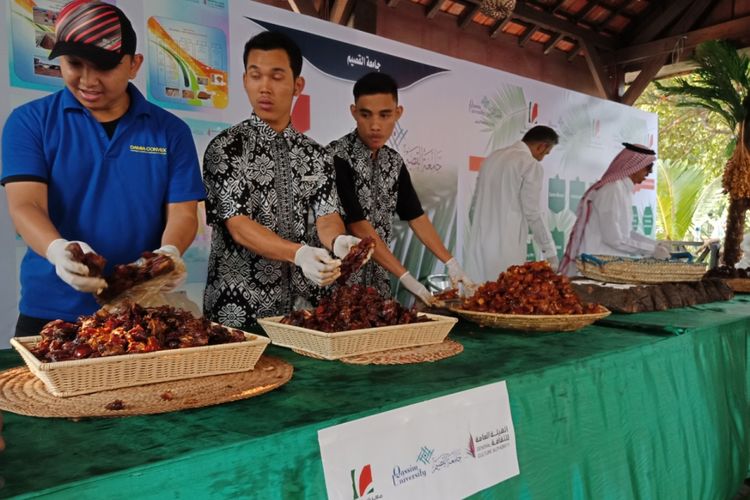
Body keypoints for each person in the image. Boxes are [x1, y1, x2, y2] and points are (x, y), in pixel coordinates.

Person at [1, 0, 205, 336]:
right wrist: (57, 251)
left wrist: (168, 254)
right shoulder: (30, 122)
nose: (88, 80)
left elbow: (182, 212)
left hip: (138, 313)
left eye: (104, 67)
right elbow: (26, 204)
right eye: (74, 64)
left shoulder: (170, 131)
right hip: (51, 311)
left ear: (134, 64)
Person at [202, 31, 358, 329]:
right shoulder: (225, 148)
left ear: (297, 85)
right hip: (237, 311)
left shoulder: (317, 155)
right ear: (245, 80)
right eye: (255, 75)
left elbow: (327, 216)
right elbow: (238, 225)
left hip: (303, 312)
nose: (264, 87)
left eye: (276, 76)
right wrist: (298, 253)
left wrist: (338, 241)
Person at [328, 72, 473, 305]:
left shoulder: (393, 161)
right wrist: (407, 278)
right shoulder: (336, 157)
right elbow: (357, 225)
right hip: (337, 282)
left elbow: (415, 215)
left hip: (378, 283)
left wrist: (451, 263)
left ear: (398, 113)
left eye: (385, 115)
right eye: (366, 115)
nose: (375, 125)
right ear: (354, 112)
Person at [465, 126, 560, 283]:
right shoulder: (529, 164)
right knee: (501, 300)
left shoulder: (492, 158)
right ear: (542, 146)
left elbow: (474, 206)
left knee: (476, 299)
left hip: (478, 245)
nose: (542, 158)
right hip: (505, 249)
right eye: (545, 153)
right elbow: (533, 213)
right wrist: (550, 252)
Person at [559, 143, 669, 275]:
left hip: (608, 267)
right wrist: (651, 250)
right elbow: (614, 238)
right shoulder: (612, 190)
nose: (649, 173)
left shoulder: (623, 190)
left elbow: (625, 233)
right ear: (634, 167)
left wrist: (655, 244)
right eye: (647, 167)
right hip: (595, 267)